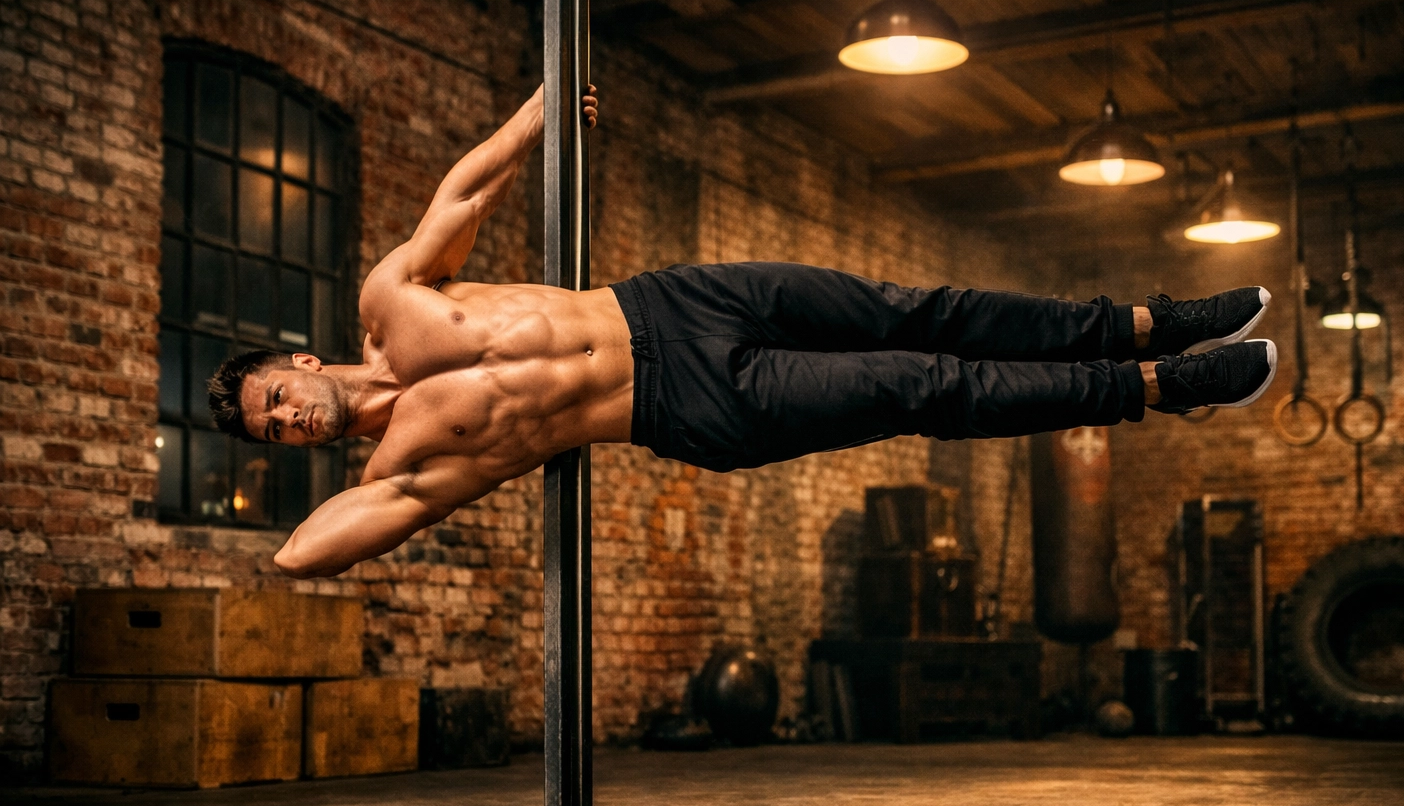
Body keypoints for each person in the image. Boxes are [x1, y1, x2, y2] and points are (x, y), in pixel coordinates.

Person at [206, 85, 1276, 580]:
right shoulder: (402, 466)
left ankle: (1148, 321)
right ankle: (1157, 387)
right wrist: (275, 545)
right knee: (924, 384)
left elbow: (463, 194)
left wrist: (533, 118)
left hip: (674, 302)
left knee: (921, 309)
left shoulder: (391, 296)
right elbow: (306, 555)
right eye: (274, 434)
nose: (291, 419)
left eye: (276, 398)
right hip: (690, 405)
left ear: (300, 361)